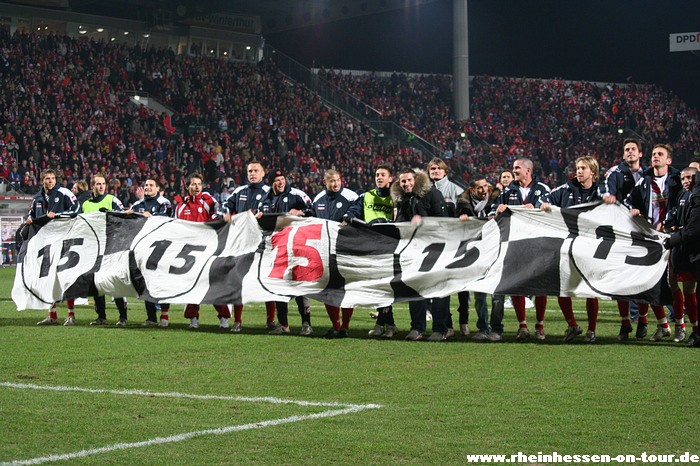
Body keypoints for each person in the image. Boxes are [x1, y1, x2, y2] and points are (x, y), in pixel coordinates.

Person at [539, 156, 602, 342]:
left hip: (591, 246)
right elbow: (544, 197)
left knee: (591, 289)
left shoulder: (601, 191)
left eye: (583, 168)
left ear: (593, 172)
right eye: (578, 168)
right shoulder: (567, 188)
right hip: (568, 246)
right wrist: (544, 204)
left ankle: (591, 330)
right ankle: (572, 325)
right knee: (562, 287)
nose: (579, 171)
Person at [624, 143, 681, 341]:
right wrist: (634, 209)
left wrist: (669, 222)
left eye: (660, 154)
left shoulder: (677, 180)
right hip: (650, 237)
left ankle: (680, 325)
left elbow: (682, 203)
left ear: (669, 160)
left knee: (673, 283)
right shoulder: (645, 180)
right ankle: (663, 324)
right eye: (654, 154)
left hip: (671, 236)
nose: (655, 156)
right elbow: (629, 200)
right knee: (648, 281)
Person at [491, 157, 551, 341]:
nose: (514, 170)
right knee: (516, 284)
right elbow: (491, 212)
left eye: (517, 168)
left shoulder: (543, 189)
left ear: (527, 170)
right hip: (515, 242)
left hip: (538, 244)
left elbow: (550, 210)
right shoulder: (506, 190)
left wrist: (539, 208)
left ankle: (540, 325)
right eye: (513, 168)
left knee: (540, 286)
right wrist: (498, 210)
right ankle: (522, 325)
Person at [392, 168, 449, 341]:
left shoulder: (433, 194)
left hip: (437, 250)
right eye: (403, 181)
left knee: (438, 290)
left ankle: (440, 329)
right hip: (415, 252)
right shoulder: (403, 200)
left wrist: (423, 221)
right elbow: (401, 222)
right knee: (415, 289)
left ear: (416, 180)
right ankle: (417, 328)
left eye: (409, 180)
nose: (406, 184)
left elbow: (444, 220)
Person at [344, 164, 399, 338]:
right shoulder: (366, 196)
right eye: (377, 175)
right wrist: (350, 217)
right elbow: (351, 212)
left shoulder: (396, 198)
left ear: (390, 178)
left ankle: (382, 324)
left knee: (385, 286)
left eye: (383, 175)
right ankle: (388, 325)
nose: (379, 178)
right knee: (378, 286)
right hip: (370, 247)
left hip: (389, 247)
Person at [601, 138, 647, 341]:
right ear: (623, 154)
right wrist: (608, 196)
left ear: (640, 153)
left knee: (643, 278)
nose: (630, 152)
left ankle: (643, 320)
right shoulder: (614, 173)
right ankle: (625, 322)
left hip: (644, 231)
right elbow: (605, 190)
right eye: (626, 149)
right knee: (621, 278)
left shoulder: (648, 174)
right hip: (621, 232)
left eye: (633, 149)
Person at [222, 161, 276, 333]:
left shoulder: (270, 192)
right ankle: (237, 321)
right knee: (238, 281)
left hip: (264, 244)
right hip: (242, 244)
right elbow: (225, 205)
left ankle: (271, 320)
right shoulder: (239, 191)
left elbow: (276, 211)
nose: (252, 173)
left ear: (263, 173)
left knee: (267, 281)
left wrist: (265, 215)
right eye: (250, 171)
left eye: (256, 171)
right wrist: (226, 212)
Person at [175, 173, 231, 330]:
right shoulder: (180, 206)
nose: (197, 187)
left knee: (214, 283)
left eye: (199, 184)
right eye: (193, 184)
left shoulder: (209, 200)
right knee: (193, 285)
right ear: (187, 186)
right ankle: (193, 318)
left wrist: (224, 215)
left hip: (209, 250)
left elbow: (220, 212)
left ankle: (224, 318)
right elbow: (176, 228)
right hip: (190, 253)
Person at [265, 168, 314, 336]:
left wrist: (301, 212)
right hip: (277, 250)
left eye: (283, 179)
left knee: (300, 286)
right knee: (279, 287)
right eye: (277, 180)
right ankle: (284, 324)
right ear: (271, 183)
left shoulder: (296, 195)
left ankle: (306, 323)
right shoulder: (265, 199)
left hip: (297, 248)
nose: (281, 182)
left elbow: (313, 211)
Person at [310, 169, 358, 338]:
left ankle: (345, 326)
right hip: (325, 252)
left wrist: (350, 217)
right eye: (332, 181)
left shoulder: (351, 197)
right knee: (327, 289)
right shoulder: (318, 200)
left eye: (338, 180)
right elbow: (312, 220)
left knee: (346, 289)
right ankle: (335, 325)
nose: (336, 184)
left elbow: (359, 214)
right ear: (325, 182)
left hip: (346, 250)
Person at [28, 169, 79, 326]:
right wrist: (29, 219)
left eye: (52, 178)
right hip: (45, 242)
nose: (50, 181)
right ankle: (52, 315)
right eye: (47, 178)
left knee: (66, 277)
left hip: (64, 240)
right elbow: (32, 213)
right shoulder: (37, 198)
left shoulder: (64, 192)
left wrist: (58, 215)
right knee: (47, 277)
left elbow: (76, 210)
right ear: (42, 180)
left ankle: (71, 315)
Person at [456, 175, 503, 341]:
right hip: (476, 253)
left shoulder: (497, 198)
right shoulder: (463, 204)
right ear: (472, 190)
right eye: (480, 188)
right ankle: (483, 328)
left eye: (486, 186)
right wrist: (461, 218)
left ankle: (496, 329)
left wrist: (497, 214)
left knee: (497, 295)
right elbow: (458, 222)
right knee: (480, 296)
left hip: (496, 250)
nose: (484, 190)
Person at [81, 174, 129, 326]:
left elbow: (124, 217)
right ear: (92, 186)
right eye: (98, 184)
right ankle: (101, 317)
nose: (101, 186)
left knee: (114, 281)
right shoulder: (85, 205)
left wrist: (110, 213)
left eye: (103, 184)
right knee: (96, 283)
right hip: (93, 249)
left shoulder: (112, 200)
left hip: (111, 248)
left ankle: (123, 317)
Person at [129, 177, 173, 327]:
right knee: (145, 282)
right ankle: (151, 318)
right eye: (146, 185)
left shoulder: (164, 202)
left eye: (151, 185)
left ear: (157, 189)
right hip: (143, 249)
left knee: (161, 281)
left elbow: (168, 218)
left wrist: (152, 217)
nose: (147, 187)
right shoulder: (138, 204)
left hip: (161, 248)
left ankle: (164, 316)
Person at [427, 157, 464, 337]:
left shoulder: (456, 190)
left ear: (445, 171)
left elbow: (466, 212)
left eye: (438, 168)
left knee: (449, 286)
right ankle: (446, 326)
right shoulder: (425, 190)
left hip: (451, 244)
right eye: (432, 169)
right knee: (435, 286)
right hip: (431, 245)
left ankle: (460, 322)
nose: (435, 171)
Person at [667, 167, 700, 347]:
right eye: (683, 178)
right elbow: (678, 219)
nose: (686, 181)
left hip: (693, 248)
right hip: (683, 248)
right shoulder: (682, 195)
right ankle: (690, 328)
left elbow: (693, 228)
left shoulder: (696, 196)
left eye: (690, 177)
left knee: (690, 289)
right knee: (683, 286)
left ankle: (695, 330)